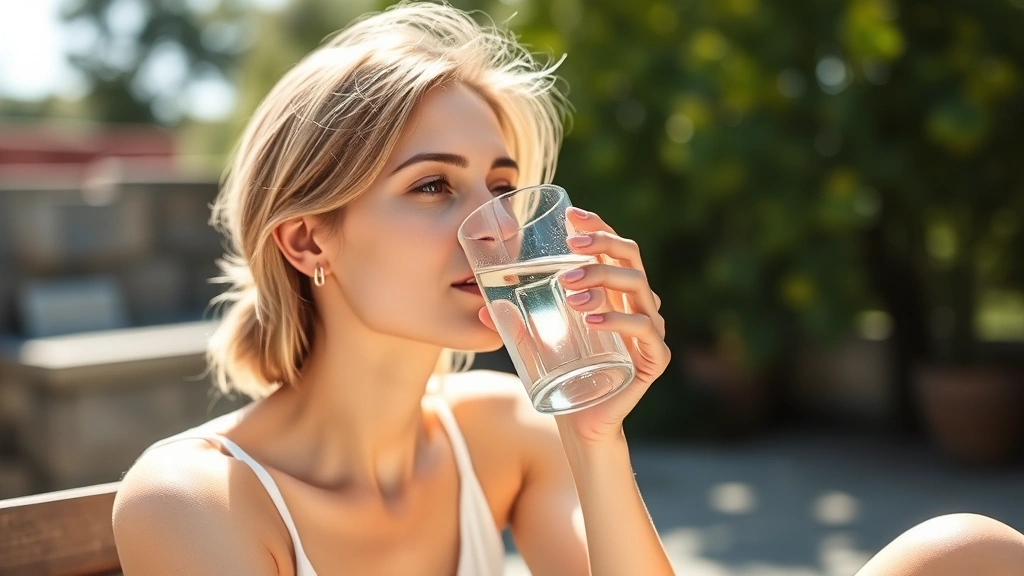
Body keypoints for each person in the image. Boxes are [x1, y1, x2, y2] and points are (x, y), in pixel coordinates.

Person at [112, 2, 1024, 575]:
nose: (494, 227)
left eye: (504, 189)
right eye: (433, 186)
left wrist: (593, 432)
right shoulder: (192, 500)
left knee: (972, 551)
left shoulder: (498, 428)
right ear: (310, 238)